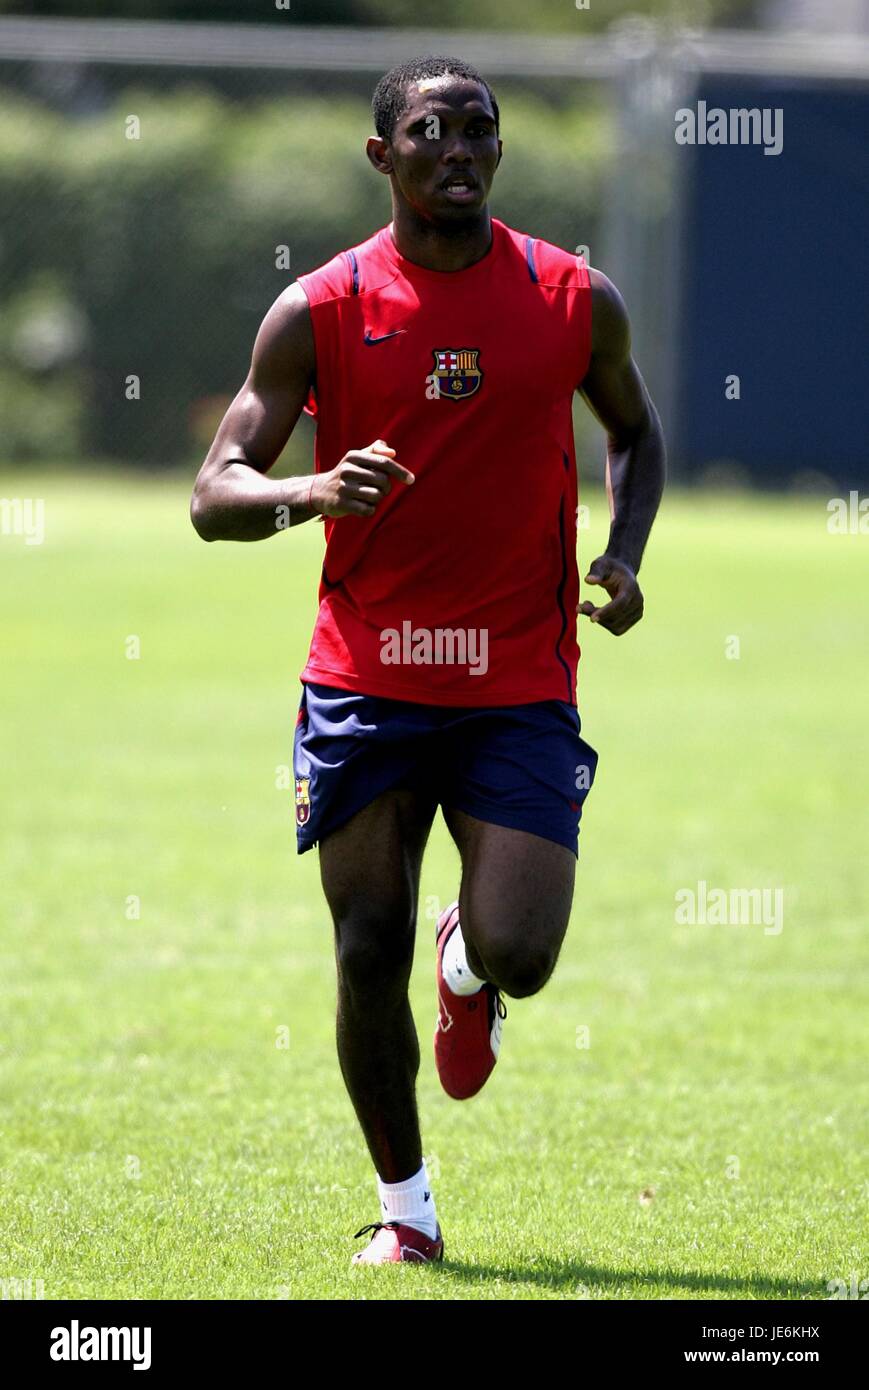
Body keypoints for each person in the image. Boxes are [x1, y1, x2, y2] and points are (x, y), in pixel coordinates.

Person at [191, 54, 665, 1267]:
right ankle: (406, 1211)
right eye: (429, 130)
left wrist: (619, 553)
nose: (457, 148)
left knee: (523, 952)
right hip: (365, 675)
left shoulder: (572, 296)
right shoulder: (320, 307)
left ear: (499, 152)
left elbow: (634, 431)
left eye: (478, 131)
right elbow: (214, 492)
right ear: (381, 155)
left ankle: (468, 961)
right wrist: (308, 489)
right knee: (361, 948)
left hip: (516, 680)